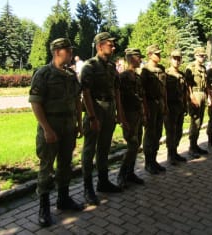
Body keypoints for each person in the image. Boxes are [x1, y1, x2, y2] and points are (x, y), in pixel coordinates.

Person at [29, 38, 84, 227]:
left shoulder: (70, 74)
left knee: (65, 165)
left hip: (68, 127)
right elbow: (35, 103)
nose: (70, 54)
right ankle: (44, 208)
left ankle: (63, 199)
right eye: (68, 51)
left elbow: (78, 100)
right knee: (47, 168)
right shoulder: (44, 74)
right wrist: (46, 129)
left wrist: (79, 124)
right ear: (57, 52)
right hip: (51, 127)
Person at [80, 32, 128, 205]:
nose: (114, 47)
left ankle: (103, 181)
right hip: (96, 110)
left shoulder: (111, 67)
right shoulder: (89, 66)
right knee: (89, 150)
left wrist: (119, 113)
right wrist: (92, 117)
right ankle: (87, 188)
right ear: (100, 46)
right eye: (110, 44)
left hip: (109, 110)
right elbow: (85, 92)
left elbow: (116, 90)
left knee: (104, 148)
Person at [117, 48, 146, 188]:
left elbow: (140, 97)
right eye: (139, 57)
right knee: (132, 145)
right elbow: (119, 101)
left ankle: (130, 173)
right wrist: (122, 119)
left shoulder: (138, 77)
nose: (141, 60)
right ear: (132, 58)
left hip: (138, 115)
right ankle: (121, 175)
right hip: (128, 115)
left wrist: (144, 113)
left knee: (137, 144)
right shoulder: (122, 78)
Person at [141, 44, 167, 174]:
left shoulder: (161, 69)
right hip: (150, 104)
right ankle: (148, 162)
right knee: (150, 133)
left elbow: (164, 89)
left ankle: (154, 160)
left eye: (159, 53)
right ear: (150, 55)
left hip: (160, 103)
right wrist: (145, 110)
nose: (159, 55)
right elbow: (143, 92)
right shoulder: (145, 71)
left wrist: (165, 105)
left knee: (158, 132)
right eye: (156, 54)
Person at [164, 50, 188, 165]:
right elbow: (163, 92)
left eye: (179, 59)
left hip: (180, 106)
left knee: (179, 131)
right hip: (170, 106)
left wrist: (185, 105)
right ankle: (170, 155)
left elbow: (184, 92)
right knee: (171, 131)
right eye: (175, 58)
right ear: (170, 59)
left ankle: (175, 152)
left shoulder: (182, 75)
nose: (177, 61)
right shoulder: (166, 74)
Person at [185, 47, 209, 158]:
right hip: (195, 94)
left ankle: (195, 145)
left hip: (203, 93)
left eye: (203, 55)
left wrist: (208, 97)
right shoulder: (191, 67)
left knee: (199, 122)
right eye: (200, 55)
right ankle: (191, 147)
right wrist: (191, 97)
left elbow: (206, 84)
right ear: (195, 56)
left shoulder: (203, 68)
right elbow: (187, 84)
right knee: (195, 121)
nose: (202, 57)